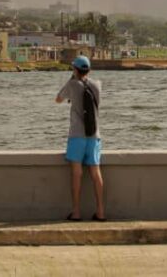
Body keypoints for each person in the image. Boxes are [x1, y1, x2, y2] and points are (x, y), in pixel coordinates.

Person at [55, 55, 105, 221]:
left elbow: (58, 99)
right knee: (96, 172)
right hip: (94, 135)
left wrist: (72, 79)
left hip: (77, 135)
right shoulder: (97, 85)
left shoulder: (72, 84)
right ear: (89, 70)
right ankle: (101, 211)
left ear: (75, 69)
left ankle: (76, 212)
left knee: (77, 173)